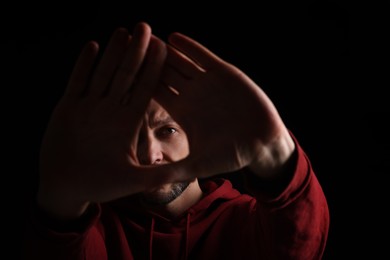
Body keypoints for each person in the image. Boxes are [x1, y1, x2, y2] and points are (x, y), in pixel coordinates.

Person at [23, 21, 330, 260]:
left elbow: (298, 243)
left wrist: (275, 151)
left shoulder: (242, 219)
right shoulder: (99, 225)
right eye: (133, 136)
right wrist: (59, 201)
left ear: (198, 135)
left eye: (166, 131)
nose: (149, 154)